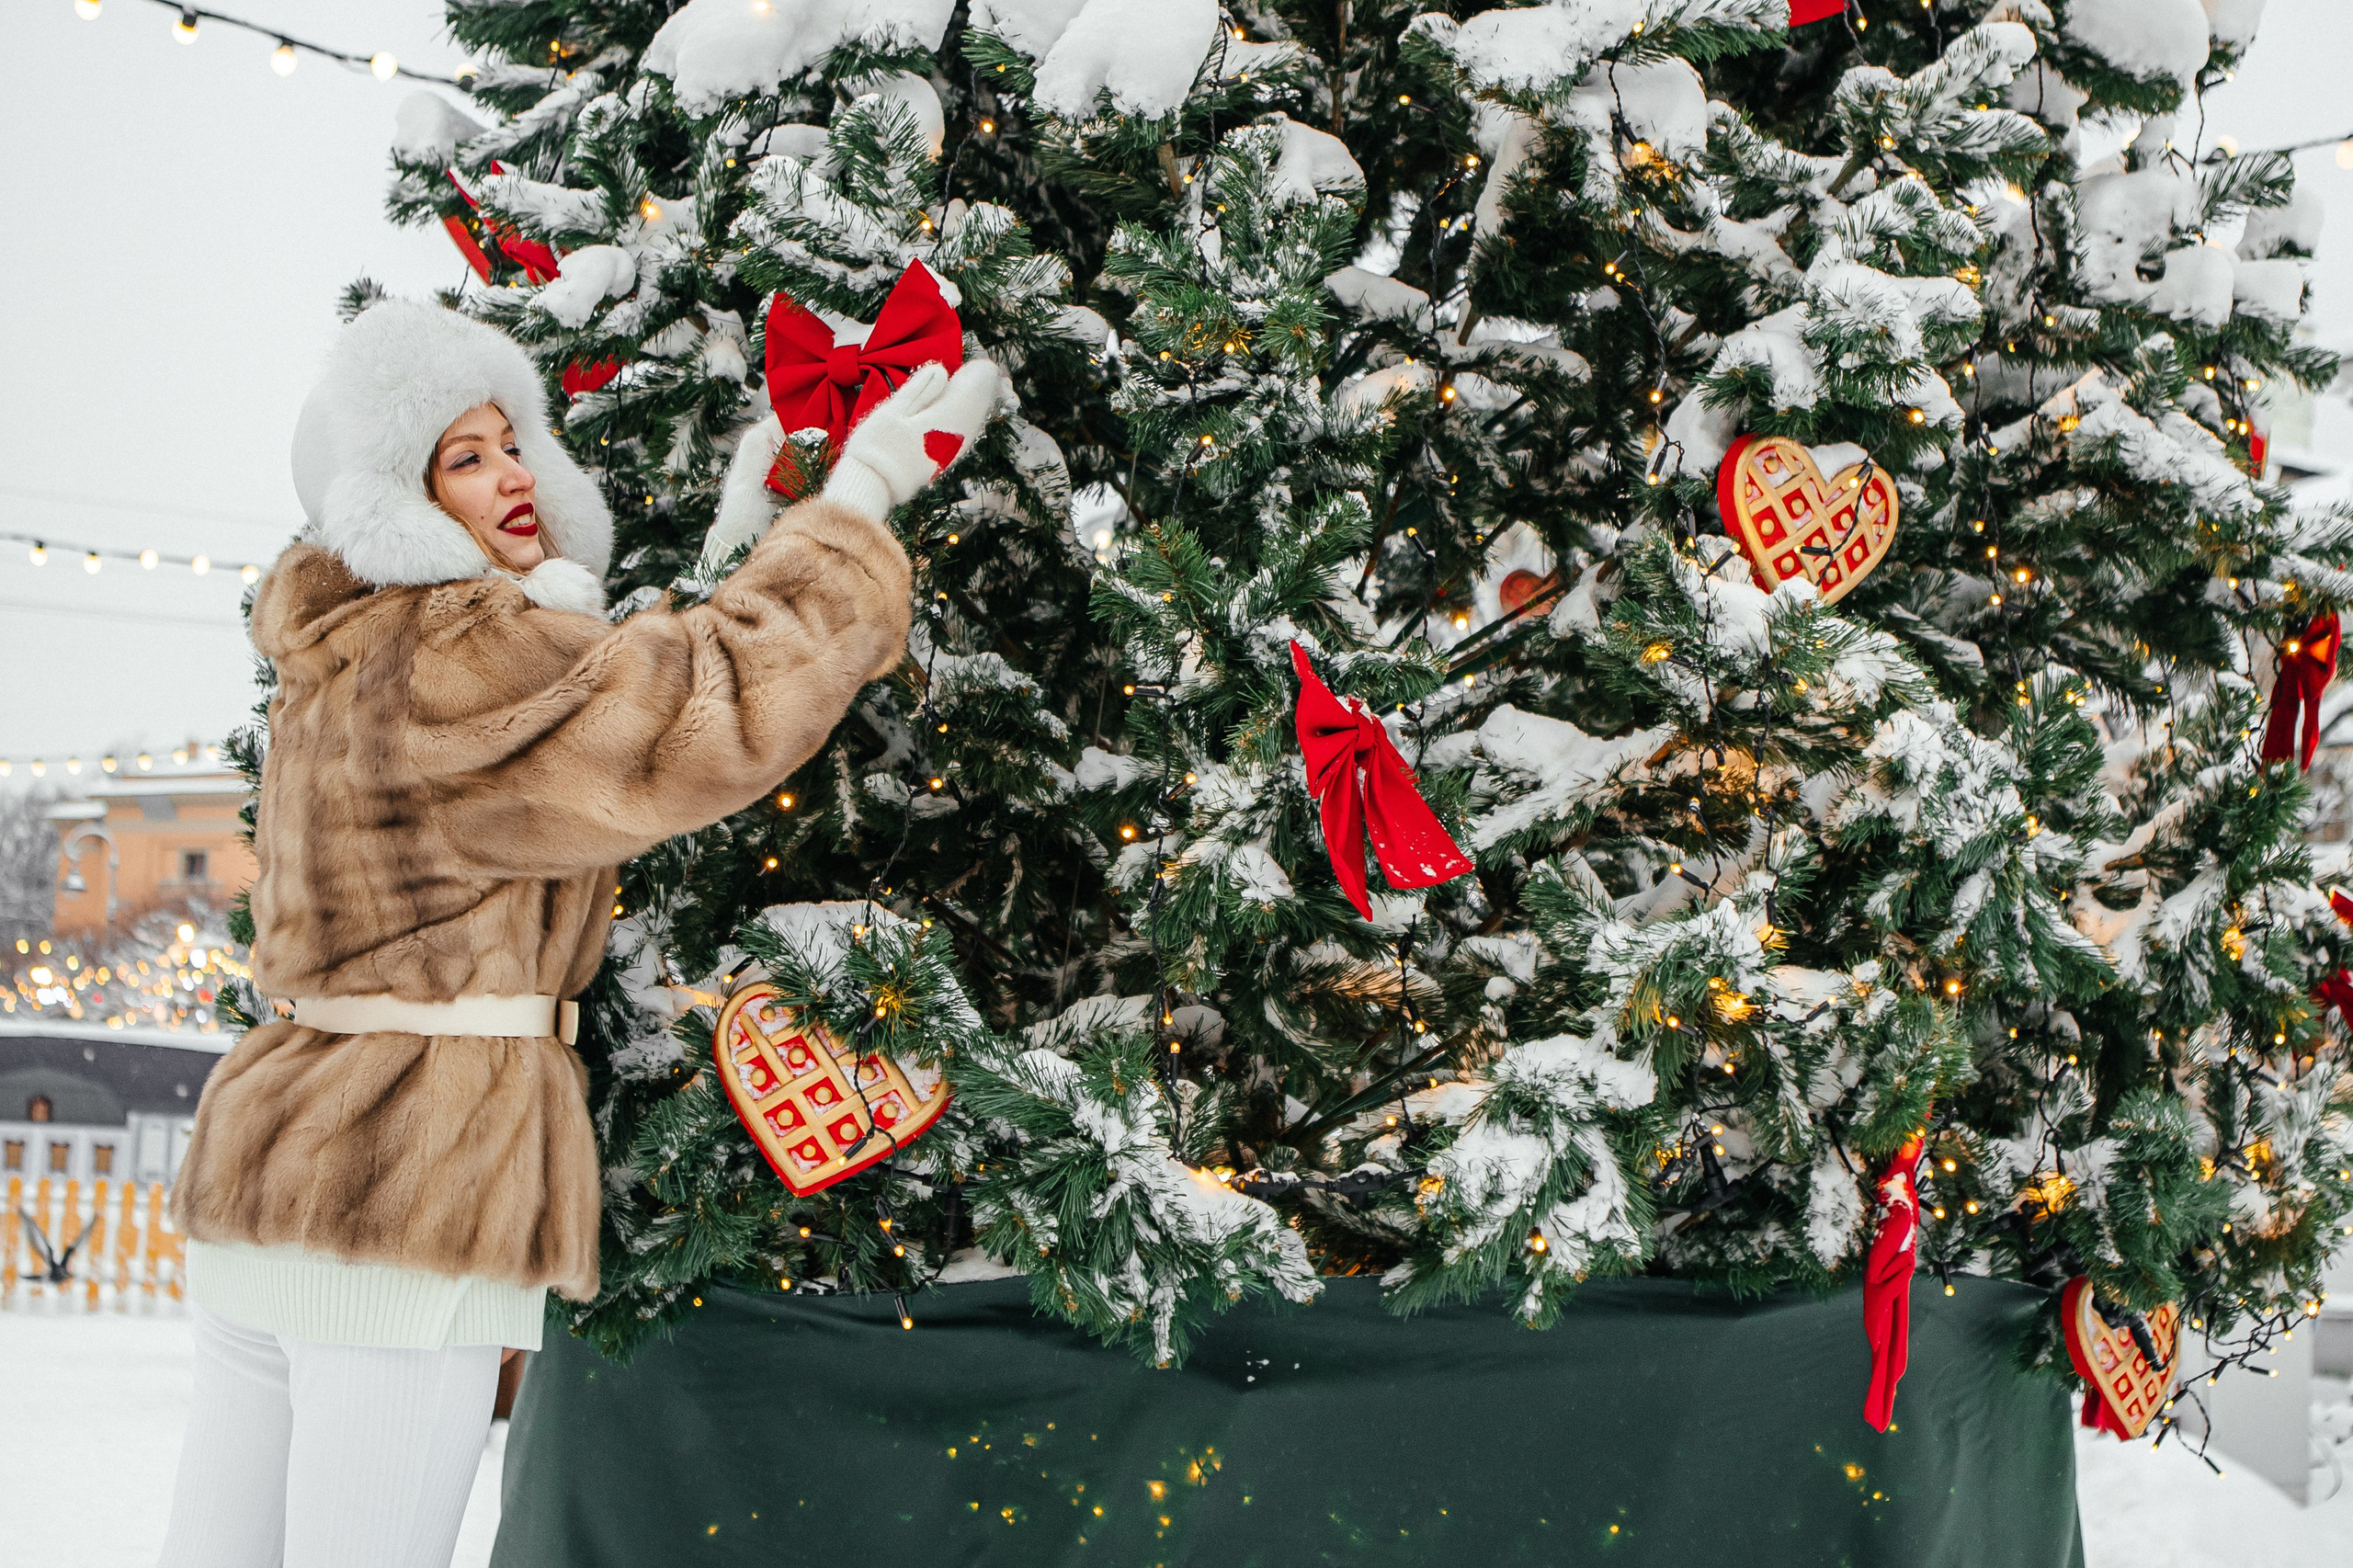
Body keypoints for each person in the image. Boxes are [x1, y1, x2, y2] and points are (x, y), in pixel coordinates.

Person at [155, 300, 1000, 1568]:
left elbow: (596, 713)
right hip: (407, 1186)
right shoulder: (454, 649)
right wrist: (858, 502)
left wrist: (739, 552)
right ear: (393, 500)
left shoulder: (341, 657)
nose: (512, 476)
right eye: (463, 457)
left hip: (279, 1171)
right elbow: (695, 715)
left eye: (512, 443)